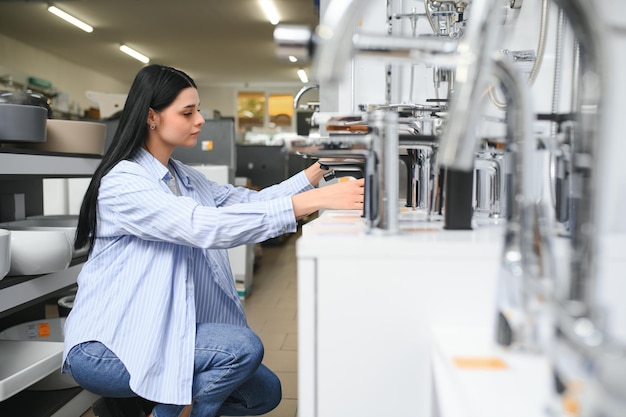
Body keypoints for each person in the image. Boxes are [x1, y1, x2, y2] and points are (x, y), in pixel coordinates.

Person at [62, 64, 365, 417]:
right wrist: (314, 202)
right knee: (242, 348)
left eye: (198, 110)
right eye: (188, 112)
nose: (201, 119)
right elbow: (201, 226)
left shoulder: (182, 176)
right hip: (110, 345)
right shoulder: (123, 182)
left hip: (162, 332)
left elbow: (249, 202)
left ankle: (149, 404)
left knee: (264, 392)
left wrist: (320, 170)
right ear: (151, 118)